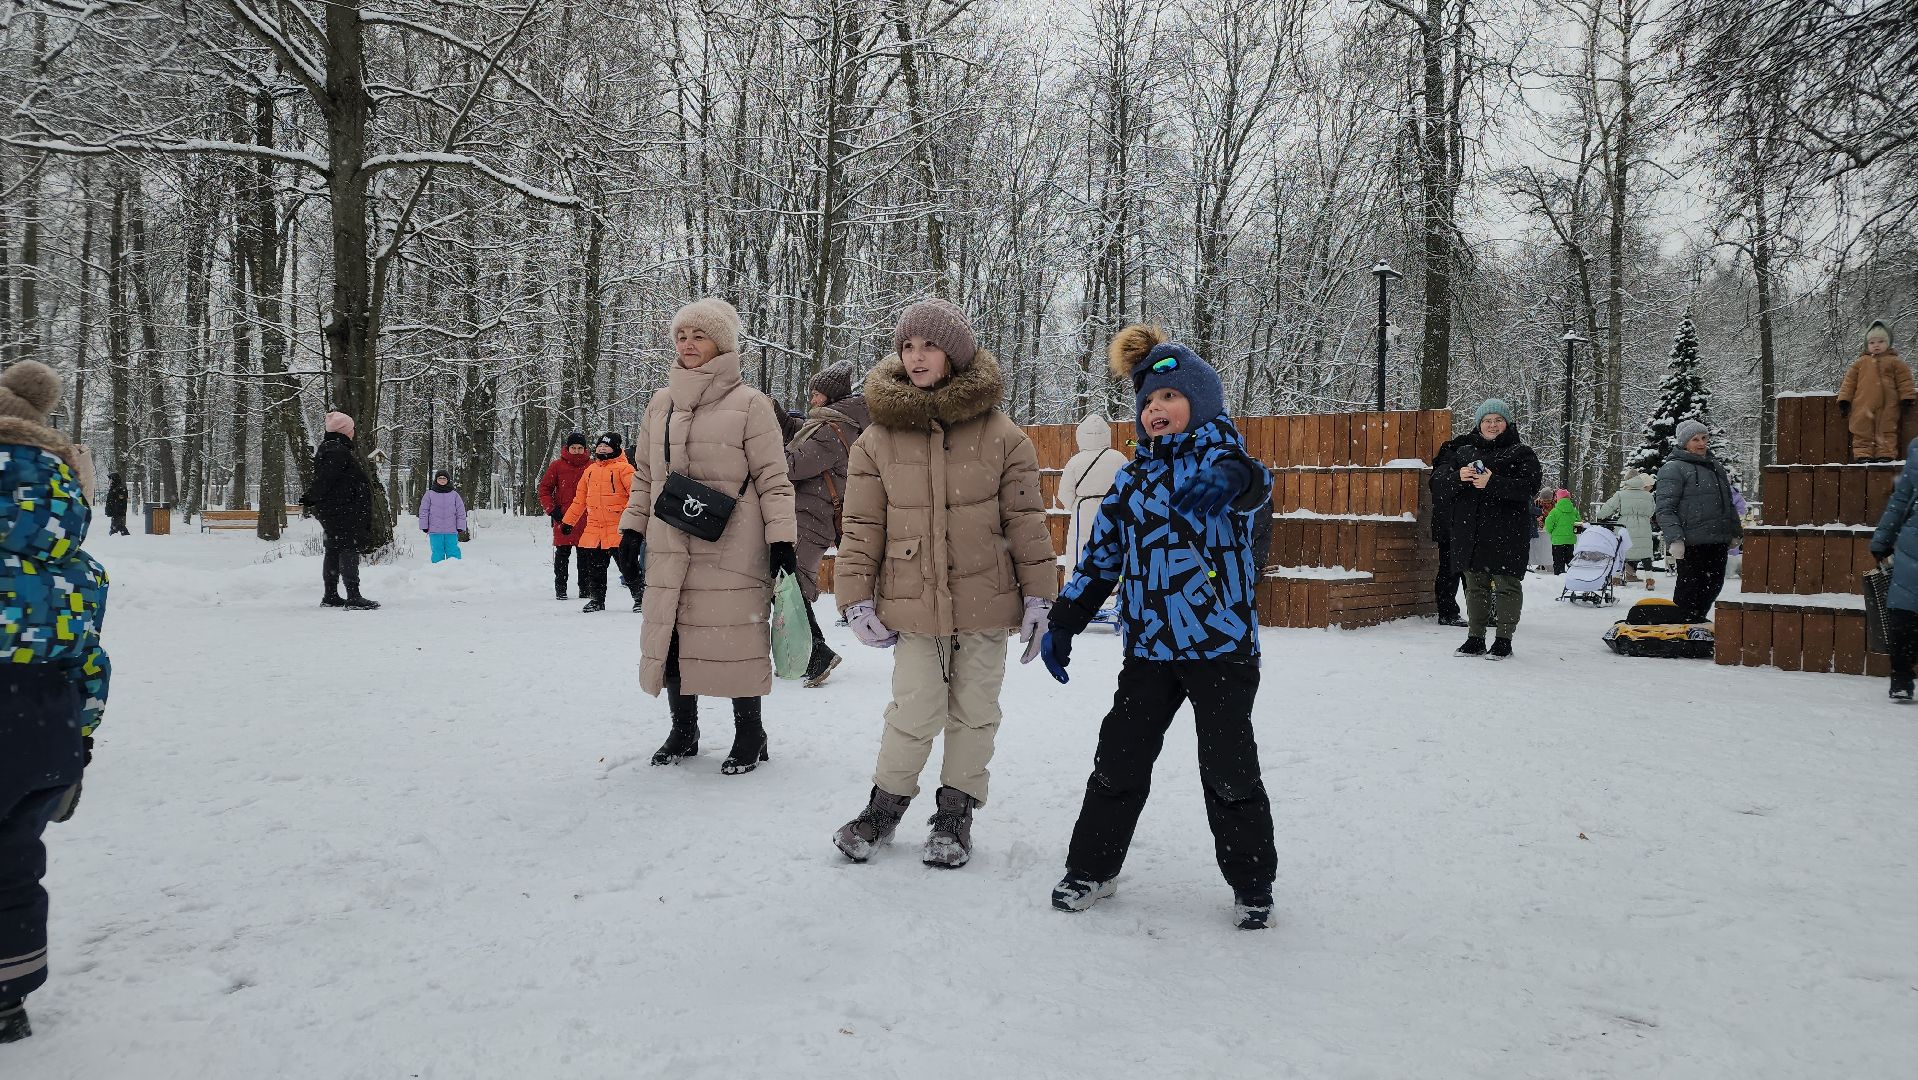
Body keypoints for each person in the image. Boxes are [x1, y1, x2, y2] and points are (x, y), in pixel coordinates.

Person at [1039, 326, 1278, 931]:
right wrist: (1066, 619)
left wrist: (1234, 480)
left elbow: (1258, 485)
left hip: (1220, 648)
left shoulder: (1229, 465)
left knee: (1229, 769)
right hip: (1148, 649)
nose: (1155, 409)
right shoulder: (1132, 481)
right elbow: (1101, 561)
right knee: (1119, 760)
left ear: (1201, 402)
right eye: (1147, 401)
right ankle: (1092, 868)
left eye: (1169, 396)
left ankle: (1253, 884)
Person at [828, 298, 1055, 868]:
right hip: (912, 601)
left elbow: (1025, 521)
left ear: (953, 354)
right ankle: (883, 810)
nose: (916, 356)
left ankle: (955, 815)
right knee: (915, 707)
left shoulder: (1003, 435)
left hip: (986, 598)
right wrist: (853, 597)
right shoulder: (876, 440)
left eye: (928, 345)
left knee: (976, 709)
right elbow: (860, 526)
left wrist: (1039, 595)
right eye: (907, 345)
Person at [622, 298, 798, 775]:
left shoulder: (751, 404)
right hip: (669, 542)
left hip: (734, 544)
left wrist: (782, 538)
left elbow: (773, 477)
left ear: (721, 342)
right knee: (676, 636)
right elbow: (643, 475)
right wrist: (631, 528)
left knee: (737, 636)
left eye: (699, 336)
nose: (688, 344)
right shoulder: (660, 404)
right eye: (681, 336)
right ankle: (684, 728)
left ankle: (749, 732)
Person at [0, 361, 111, 1044]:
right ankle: (7, 995)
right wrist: (81, 740)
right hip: (41, 726)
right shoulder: (76, 568)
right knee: (14, 861)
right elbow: (90, 661)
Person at [784, 359, 870, 688]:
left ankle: (816, 655)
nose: (812, 400)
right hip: (810, 513)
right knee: (789, 585)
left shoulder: (832, 431)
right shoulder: (831, 426)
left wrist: (766, 451)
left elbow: (792, 465)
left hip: (812, 517)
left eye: (817, 394)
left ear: (831, 398)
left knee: (792, 586)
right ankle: (804, 653)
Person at [1440, 400, 1543, 659]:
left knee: (1507, 585)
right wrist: (1457, 477)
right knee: (1475, 587)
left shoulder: (1522, 453)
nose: (1492, 425)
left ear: (1507, 423)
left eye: (1498, 420)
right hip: (1470, 531)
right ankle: (1475, 638)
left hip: (1507, 533)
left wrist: (1493, 482)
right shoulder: (1463, 452)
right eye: (1487, 420)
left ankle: (1503, 640)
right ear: (1479, 424)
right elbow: (1438, 485)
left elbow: (1528, 488)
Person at [1654, 419, 1741, 625]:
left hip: (1717, 540)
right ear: (1684, 443)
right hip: (1692, 542)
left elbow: (1728, 503)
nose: (1701, 443)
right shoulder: (1673, 468)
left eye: (1704, 438)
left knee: (1713, 585)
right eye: (1695, 439)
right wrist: (1675, 539)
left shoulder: (1715, 467)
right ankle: (1680, 627)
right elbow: (1665, 508)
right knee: (1690, 590)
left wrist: (1735, 531)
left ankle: (1695, 623)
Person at [301, 411, 379, 610]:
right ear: (345, 431)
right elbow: (327, 478)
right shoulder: (337, 451)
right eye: (351, 429)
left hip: (336, 509)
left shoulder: (333, 449)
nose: (353, 433)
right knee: (348, 548)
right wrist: (312, 496)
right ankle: (353, 596)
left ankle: (331, 595)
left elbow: (328, 479)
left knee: (334, 550)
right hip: (342, 511)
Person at [561, 433, 643, 614]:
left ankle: (640, 598)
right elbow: (579, 500)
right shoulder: (590, 471)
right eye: (599, 446)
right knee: (595, 569)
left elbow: (637, 496)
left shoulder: (625, 469)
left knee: (627, 566)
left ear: (615, 449)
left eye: (606, 446)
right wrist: (568, 522)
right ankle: (597, 600)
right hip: (595, 530)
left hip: (618, 528)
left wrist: (634, 522)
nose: (602, 449)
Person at [1869, 435, 1918, 701]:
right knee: (1903, 614)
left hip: (1913, 542)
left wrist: (1882, 541)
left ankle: (1901, 678)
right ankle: (1900, 677)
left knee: (1904, 615)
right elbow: (1902, 498)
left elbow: (1901, 499)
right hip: (1913, 545)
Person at [1837, 321, 1914, 462]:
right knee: (1862, 431)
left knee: (1886, 430)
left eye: (1881, 341)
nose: (1876, 345)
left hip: (1888, 406)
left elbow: (1905, 381)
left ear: (1888, 343)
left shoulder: (1895, 362)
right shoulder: (1860, 363)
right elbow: (1849, 383)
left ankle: (1885, 454)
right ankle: (1863, 455)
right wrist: (1844, 400)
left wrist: (1907, 398)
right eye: (1872, 342)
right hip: (1863, 405)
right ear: (1867, 345)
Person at [538, 433, 592, 599]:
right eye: (573, 448)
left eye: (580, 448)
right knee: (562, 555)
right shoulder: (557, 466)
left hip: (586, 518)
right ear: (567, 448)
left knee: (585, 556)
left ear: (585, 449)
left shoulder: (592, 466)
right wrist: (552, 510)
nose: (576, 451)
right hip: (563, 517)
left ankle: (585, 589)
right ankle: (560, 589)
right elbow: (544, 489)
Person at [1427, 439, 1466, 625]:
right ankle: (1448, 612)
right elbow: (1438, 486)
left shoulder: (1446, 462)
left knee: (1454, 571)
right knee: (1452, 571)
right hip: (1452, 527)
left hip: (1452, 526)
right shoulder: (1449, 465)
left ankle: (1451, 612)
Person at [1594, 472, 1656, 578]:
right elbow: (1651, 511)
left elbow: (1608, 508)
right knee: (1645, 553)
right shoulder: (1648, 496)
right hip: (1644, 526)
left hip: (1625, 526)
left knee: (1621, 552)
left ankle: (1616, 578)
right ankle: (1649, 579)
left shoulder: (1621, 494)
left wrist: (1600, 515)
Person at [417, 470, 469, 563]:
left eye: (444, 478)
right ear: (436, 480)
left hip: (451, 530)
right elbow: (424, 511)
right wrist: (424, 525)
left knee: (453, 551)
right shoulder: (429, 494)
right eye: (439, 478)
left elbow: (460, 512)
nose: (442, 480)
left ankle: (456, 570)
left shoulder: (454, 495)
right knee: (437, 552)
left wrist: (460, 526)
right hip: (435, 530)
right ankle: (437, 572)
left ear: (448, 480)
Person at [1544, 488, 1581, 574]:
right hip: (1570, 541)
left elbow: (1548, 524)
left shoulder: (1555, 512)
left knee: (1558, 562)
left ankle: (1559, 578)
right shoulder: (1574, 511)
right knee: (1570, 560)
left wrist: (1552, 532)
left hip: (1557, 542)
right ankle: (1573, 576)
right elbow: (1578, 524)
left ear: (1558, 499)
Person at [104, 472, 130, 536]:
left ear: (115, 479)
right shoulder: (113, 487)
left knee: (117, 527)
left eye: (111, 479)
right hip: (114, 511)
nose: (110, 481)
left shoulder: (121, 488)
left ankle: (116, 537)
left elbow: (121, 501)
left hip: (118, 512)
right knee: (117, 526)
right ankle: (121, 536)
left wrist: (117, 510)